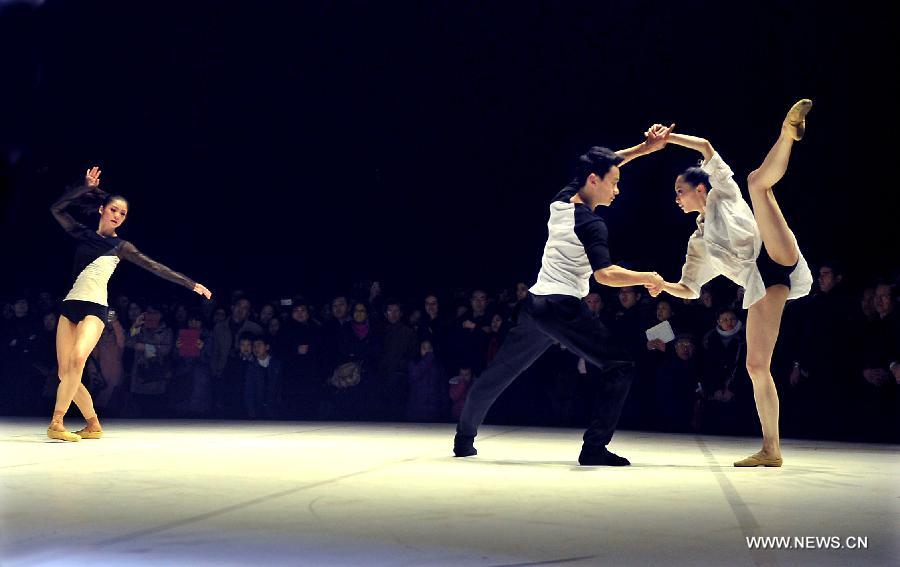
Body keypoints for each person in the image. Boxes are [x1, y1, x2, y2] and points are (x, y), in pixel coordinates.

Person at [454, 129, 672, 466]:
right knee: (620, 366)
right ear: (593, 181)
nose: (617, 190)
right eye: (613, 183)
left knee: (499, 373)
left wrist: (645, 148)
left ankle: (463, 439)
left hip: (534, 305)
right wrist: (647, 277)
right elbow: (604, 275)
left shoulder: (561, 201)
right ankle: (594, 448)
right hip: (562, 308)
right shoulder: (592, 224)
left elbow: (608, 161)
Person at [645, 100, 814, 466]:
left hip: (773, 254)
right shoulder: (697, 242)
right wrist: (662, 285)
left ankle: (787, 133)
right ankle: (772, 449)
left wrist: (669, 138)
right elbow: (689, 288)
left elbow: (705, 147)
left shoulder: (722, 190)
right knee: (756, 366)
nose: (676, 197)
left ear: (700, 189)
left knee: (757, 183)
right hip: (765, 284)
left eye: (680, 190)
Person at [48, 166, 211, 441]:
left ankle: (57, 422)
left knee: (78, 360)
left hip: (96, 309)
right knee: (66, 373)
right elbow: (57, 209)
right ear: (102, 209)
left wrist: (190, 283)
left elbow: (155, 267)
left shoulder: (121, 247)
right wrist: (84, 187)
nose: (118, 216)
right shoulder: (82, 234)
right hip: (70, 306)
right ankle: (93, 425)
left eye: (122, 214)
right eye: (114, 210)